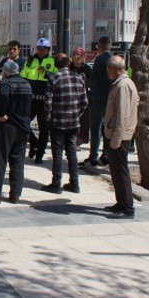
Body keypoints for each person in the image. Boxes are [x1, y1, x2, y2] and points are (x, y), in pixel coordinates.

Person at [0, 60, 33, 204]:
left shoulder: (6, 84)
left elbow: (4, 97)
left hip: (8, 126)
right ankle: (15, 195)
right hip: (23, 127)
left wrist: (1, 114)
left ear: (5, 72)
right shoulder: (27, 84)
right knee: (18, 161)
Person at [42, 53, 88, 194]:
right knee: (71, 152)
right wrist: (77, 115)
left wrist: (48, 118)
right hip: (73, 123)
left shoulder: (54, 78)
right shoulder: (78, 78)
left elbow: (48, 102)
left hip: (58, 122)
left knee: (57, 153)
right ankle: (74, 183)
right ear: (68, 63)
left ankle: (56, 183)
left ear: (55, 65)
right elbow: (84, 102)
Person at [103, 55, 139, 218]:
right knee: (116, 171)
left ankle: (128, 207)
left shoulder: (123, 85)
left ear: (112, 69)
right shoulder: (121, 83)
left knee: (121, 171)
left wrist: (117, 138)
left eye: (108, 69)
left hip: (120, 135)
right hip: (117, 134)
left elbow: (123, 114)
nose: (107, 73)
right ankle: (121, 203)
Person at [20, 37, 57, 164]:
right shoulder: (30, 61)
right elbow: (23, 76)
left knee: (44, 130)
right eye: (39, 48)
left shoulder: (52, 61)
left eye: (43, 49)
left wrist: (46, 73)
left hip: (45, 101)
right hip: (31, 99)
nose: (40, 51)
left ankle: (39, 154)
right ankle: (33, 142)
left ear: (48, 50)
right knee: (22, 123)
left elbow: (57, 78)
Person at [81, 35, 112, 168]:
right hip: (109, 98)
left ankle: (93, 156)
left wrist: (86, 80)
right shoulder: (113, 58)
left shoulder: (100, 59)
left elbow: (94, 79)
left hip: (98, 98)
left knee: (95, 128)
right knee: (106, 128)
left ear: (99, 46)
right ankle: (106, 155)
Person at [70, 47, 92, 146]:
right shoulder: (69, 67)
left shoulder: (86, 68)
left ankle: (82, 138)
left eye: (80, 55)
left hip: (83, 96)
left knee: (84, 119)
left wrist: (85, 82)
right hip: (71, 97)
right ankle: (73, 139)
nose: (78, 57)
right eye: (76, 54)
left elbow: (92, 81)